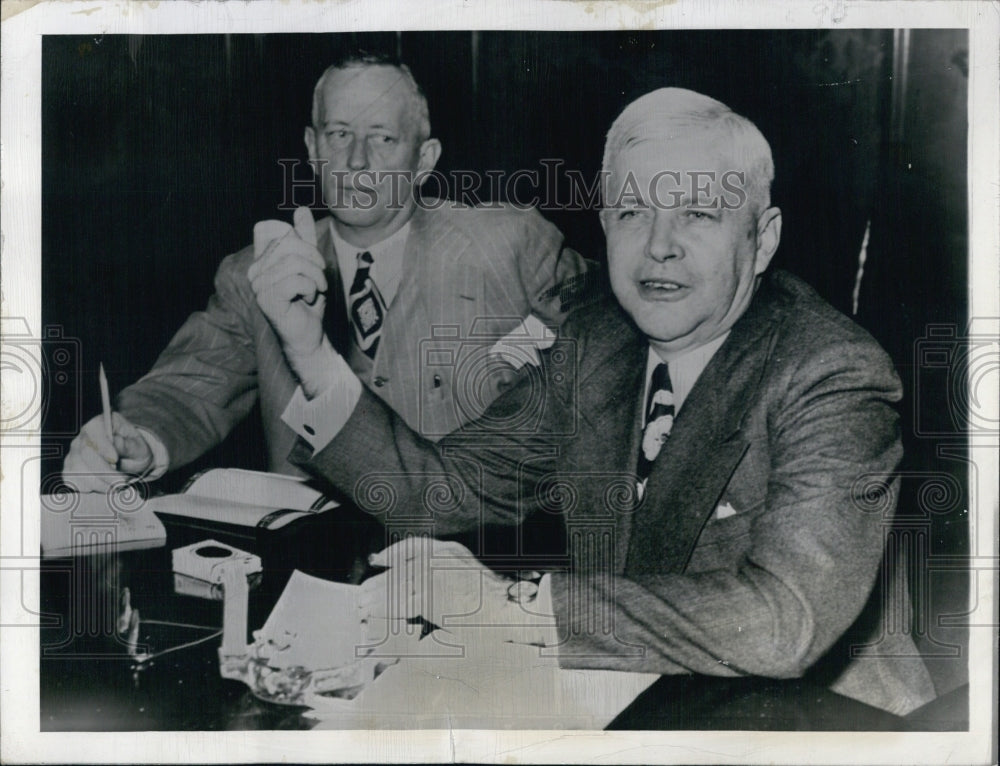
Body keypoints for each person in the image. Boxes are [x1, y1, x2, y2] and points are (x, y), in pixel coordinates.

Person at [289, 87, 937, 722]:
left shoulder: (831, 371)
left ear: (762, 239)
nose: (659, 244)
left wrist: (517, 607)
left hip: (819, 725)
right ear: (602, 227)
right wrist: (311, 352)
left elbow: (782, 621)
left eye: (698, 214)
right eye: (631, 213)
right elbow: (438, 488)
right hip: (640, 704)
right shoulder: (595, 342)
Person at [62, 52, 593, 491]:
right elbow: (188, 386)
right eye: (339, 134)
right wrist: (135, 437)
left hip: (470, 560)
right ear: (313, 149)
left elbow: (610, 353)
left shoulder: (510, 242)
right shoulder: (257, 271)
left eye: (383, 138)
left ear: (425, 158)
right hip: (308, 573)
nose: (357, 160)